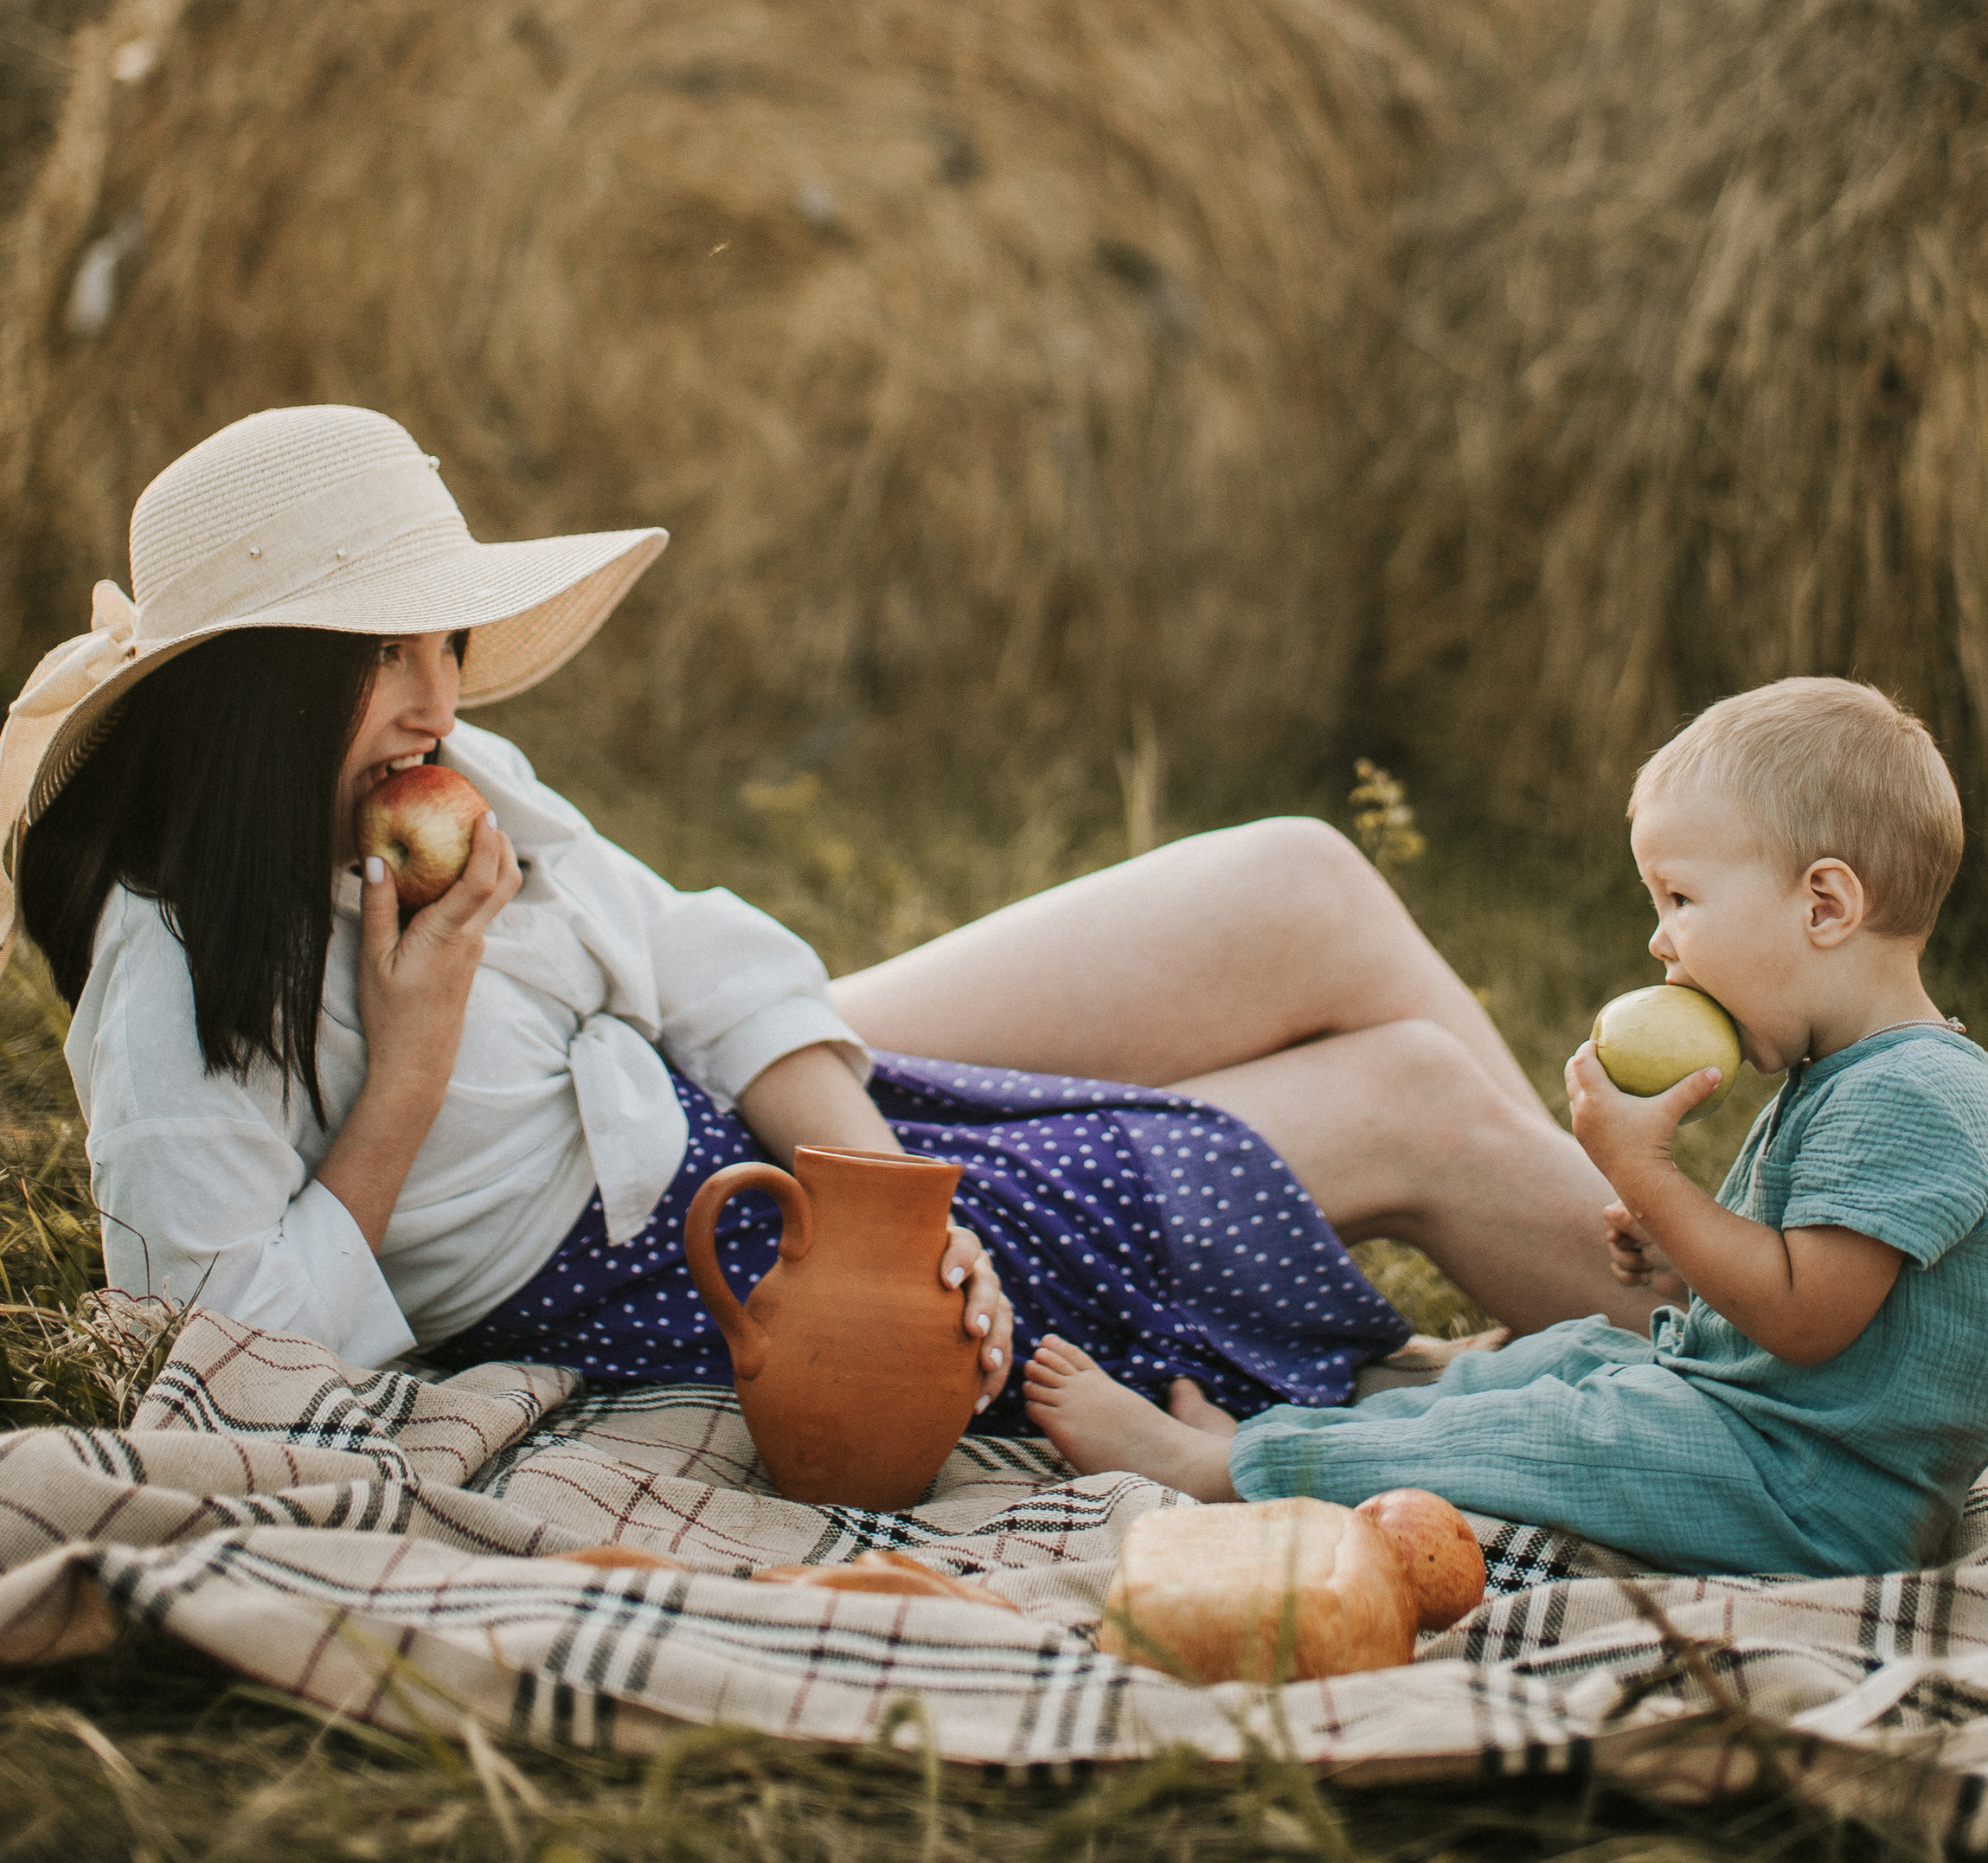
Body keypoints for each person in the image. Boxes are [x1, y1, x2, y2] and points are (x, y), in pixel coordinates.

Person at [0, 404, 1649, 1434]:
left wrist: (874, 1187)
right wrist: (411, 1067)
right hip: (690, 1269)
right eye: (387, 651)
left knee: (1296, 878)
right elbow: (228, 1360)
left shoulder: (442, 785)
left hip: (728, 1130)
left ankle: (1632, 1303)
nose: (445, 701)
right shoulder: (179, 974)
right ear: (257, 692)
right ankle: (1755, 1361)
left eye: (447, 643)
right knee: (1414, 1101)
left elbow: (696, 960)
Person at [1027, 681, 1988, 1576]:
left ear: (1824, 906)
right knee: (1567, 1358)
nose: (1659, 941)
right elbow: (1804, 1283)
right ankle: (1286, 1440)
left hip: (1823, 1500)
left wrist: (1648, 1176)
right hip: (1769, 1440)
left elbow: (1805, 1321)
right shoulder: (1854, 1075)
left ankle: (1219, 1471)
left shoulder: (1909, 1095)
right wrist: (1676, 1249)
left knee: (1559, 1430)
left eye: (1680, 899)